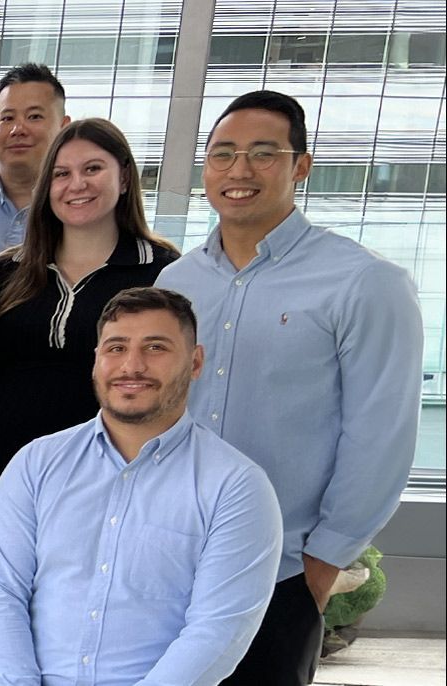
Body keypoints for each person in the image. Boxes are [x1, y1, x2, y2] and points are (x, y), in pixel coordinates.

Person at [155, 90, 423, 685]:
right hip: (170, 562)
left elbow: (380, 437)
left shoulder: (365, 283)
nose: (239, 170)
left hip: (280, 573)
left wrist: (321, 565)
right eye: (222, 154)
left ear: (301, 165)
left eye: (262, 153)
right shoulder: (178, 281)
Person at [0, 287, 284, 685]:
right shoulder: (36, 464)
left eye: (155, 348)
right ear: (96, 361)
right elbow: (0, 592)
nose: (132, 366)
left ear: (195, 362)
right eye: (116, 348)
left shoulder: (236, 487)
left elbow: (217, 631)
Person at [0, 119, 178, 469]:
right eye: (61, 174)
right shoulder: (8, 269)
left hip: (110, 471)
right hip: (2, 465)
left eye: (93, 169)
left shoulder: (161, 271)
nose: (77, 184)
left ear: (125, 177)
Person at [0, 63, 70, 267]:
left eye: (34, 117)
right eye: (7, 118)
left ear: (64, 127)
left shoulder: (83, 211)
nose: (18, 129)